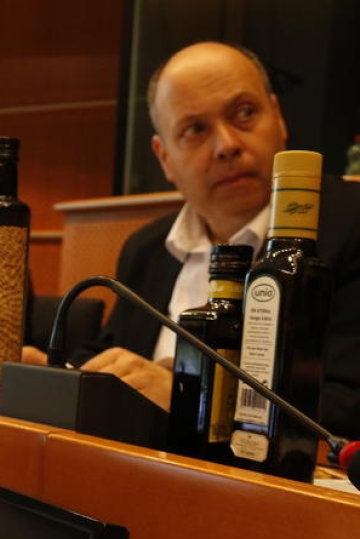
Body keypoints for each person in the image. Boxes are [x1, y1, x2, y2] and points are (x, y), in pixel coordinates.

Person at [72, 41, 360, 438]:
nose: (227, 145)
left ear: (278, 117)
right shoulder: (146, 248)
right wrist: (52, 370)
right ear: (164, 158)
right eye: (195, 129)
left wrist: (185, 397)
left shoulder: (351, 226)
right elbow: (113, 355)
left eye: (244, 113)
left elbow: (346, 405)